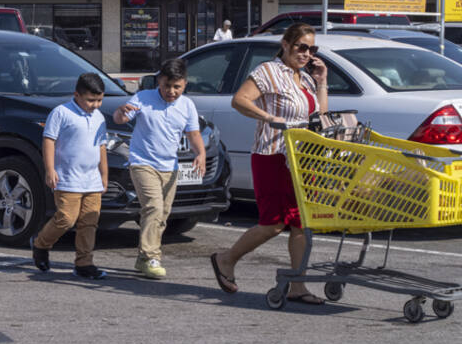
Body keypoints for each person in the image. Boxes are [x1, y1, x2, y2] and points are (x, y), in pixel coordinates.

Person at [209, 22, 327, 303]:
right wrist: (269, 117)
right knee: (273, 223)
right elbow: (240, 101)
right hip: (272, 154)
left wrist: (321, 81)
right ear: (285, 44)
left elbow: (320, 115)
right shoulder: (269, 71)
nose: (306, 54)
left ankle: (298, 285)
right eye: (301, 47)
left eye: (312, 49)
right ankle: (226, 259)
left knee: (301, 223)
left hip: (300, 159)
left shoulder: (306, 78)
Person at [111, 57, 205, 279]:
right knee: (153, 207)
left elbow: (193, 134)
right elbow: (121, 118)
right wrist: (120, 113)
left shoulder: (187, 105)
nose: (171, 91)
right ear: (158, 83)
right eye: (166, 86)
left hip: (169, 166)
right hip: (142, 162)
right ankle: (152, 256)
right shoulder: (143, 98)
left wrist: (199, 153)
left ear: (185, 84)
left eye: (177, 87)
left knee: (162, 214)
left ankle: (143, 259)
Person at [30, 73, 109, 280]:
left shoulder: (99, 117)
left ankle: (84, 263)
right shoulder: (61, 113)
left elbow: (101, 147)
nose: (95, 105)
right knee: (66, 218)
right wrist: (50, 169)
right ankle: (41, 243)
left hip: (91, 179)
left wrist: (104, 174)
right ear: (77, 95)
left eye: (99, 100)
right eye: (91, 100)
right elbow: (49, 140)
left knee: (89, 222)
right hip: (67, 178)